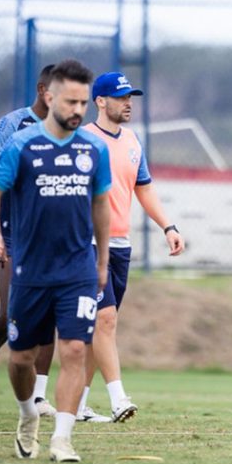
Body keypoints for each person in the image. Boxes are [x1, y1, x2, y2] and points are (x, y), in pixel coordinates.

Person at [0, 59, 111, 463]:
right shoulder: (21, 146)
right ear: (50, 97)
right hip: (30, 268)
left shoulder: (94, 149)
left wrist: (101, 261)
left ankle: (63, 438)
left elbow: (101, 206)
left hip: (77, 269)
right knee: (20, 358)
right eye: (71, 101)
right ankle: (26, 415)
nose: (78, 110)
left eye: (84, 103)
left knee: (74, 349)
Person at [75, 72, 185, 423]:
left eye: (131, 97)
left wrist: (167, 226)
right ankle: (118, 398)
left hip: (120, 246)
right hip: (86, 243)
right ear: (100, 101)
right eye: (121, 97)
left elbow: (144, 188)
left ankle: (77, 404)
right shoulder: (82, 139)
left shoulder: (133, 140)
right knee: (105, 319)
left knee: (99, 326)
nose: (128, 103)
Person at [0, 64, 58, 417]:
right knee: (10, 314)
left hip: (49, 237)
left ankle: (38, 395)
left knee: (48, 316)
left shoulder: (67, 129)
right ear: (41, 89)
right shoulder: (13, 124)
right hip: (12, 231)